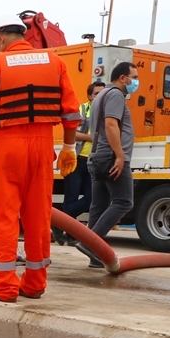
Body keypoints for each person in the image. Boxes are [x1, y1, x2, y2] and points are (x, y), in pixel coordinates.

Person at [0, 16, 80, 303]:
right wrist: (69, 146)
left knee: (6, 217)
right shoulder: (55, 62)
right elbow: (71, 111)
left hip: (6, 146)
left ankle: (5, 286)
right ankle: (35, 283)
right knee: (38, 216)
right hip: (44, 145)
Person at [76, 61, 139, 268]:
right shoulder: (115, 95)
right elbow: (111, 125)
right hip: (110, 155)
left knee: (99, 206)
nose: (136, 82)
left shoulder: (100, 95)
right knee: (123, 202)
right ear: (123, 78)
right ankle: (92, 244)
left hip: (97, 156)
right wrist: (120, 156)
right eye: (134, 77)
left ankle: (95, 257)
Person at [54, 81, 105, 246]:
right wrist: (92, 137)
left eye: (103, 94)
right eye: (97, 93)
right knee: (71, 197)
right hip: (76, 160)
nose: (100, 97)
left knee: (91, 199)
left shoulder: (107, 112)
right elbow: (72, 134)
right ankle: (70, 235)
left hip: (94, 162)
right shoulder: (81, 109)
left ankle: (58, 220)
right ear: (90, 96)